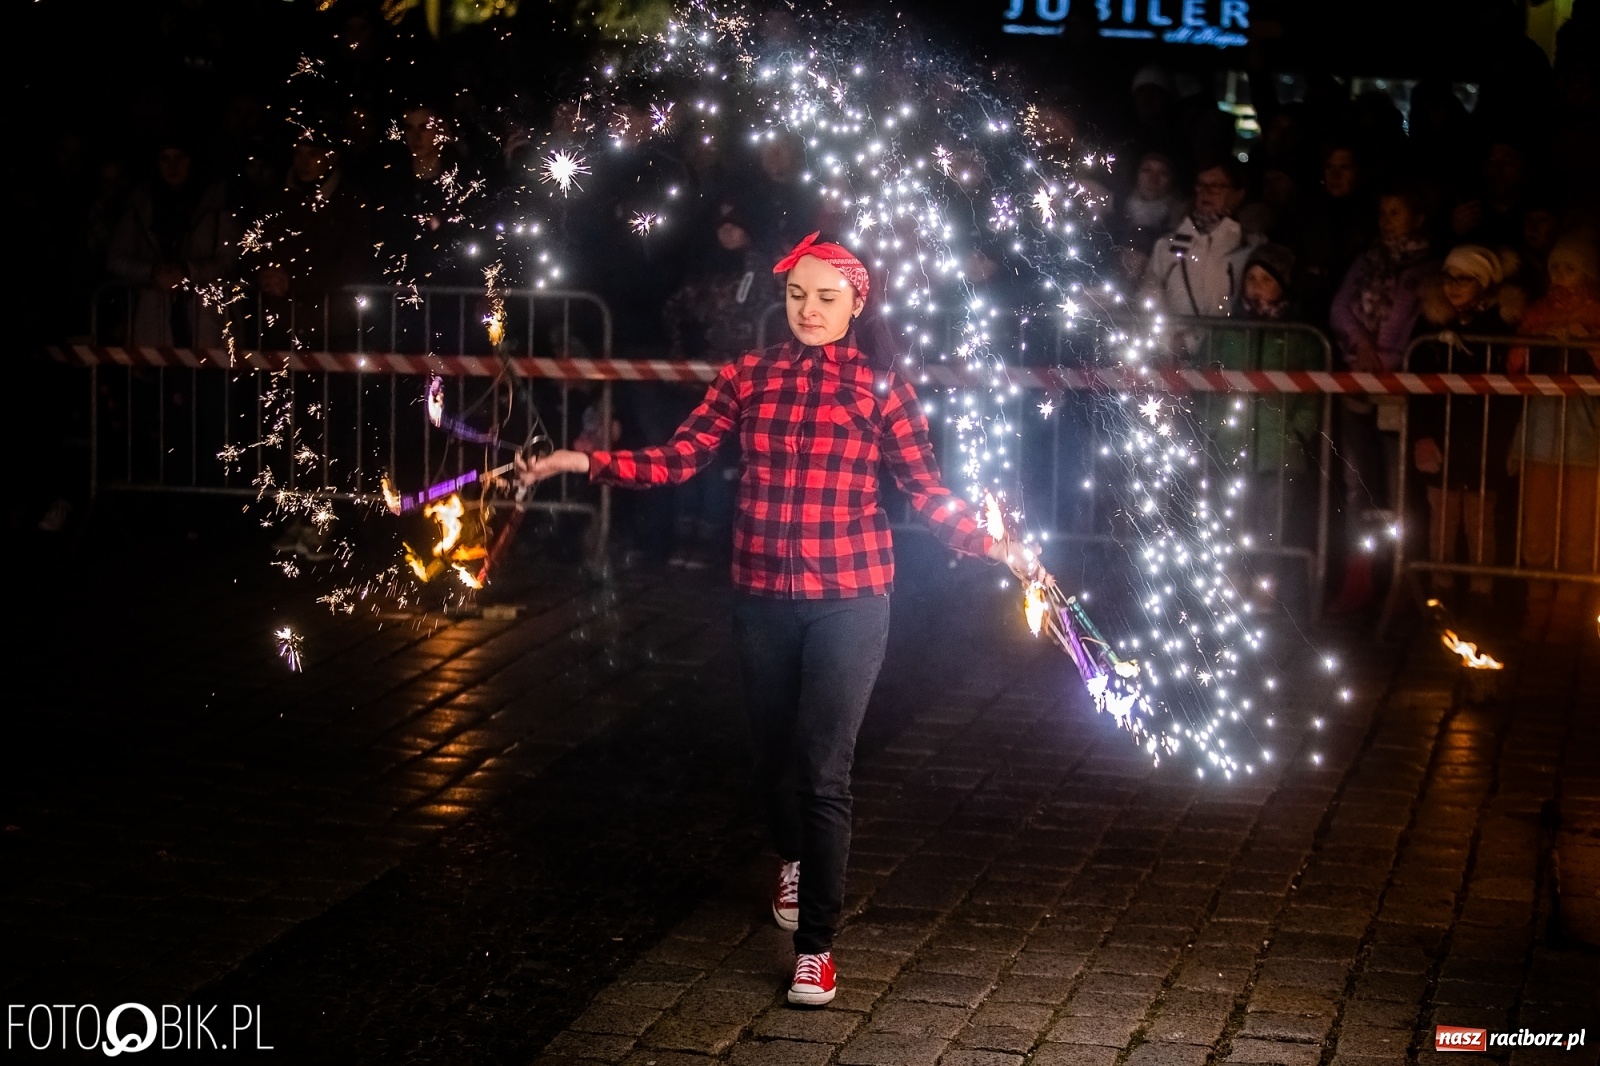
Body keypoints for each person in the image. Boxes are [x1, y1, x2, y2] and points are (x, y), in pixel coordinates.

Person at [516, 232, 1010, 1007]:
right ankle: (790, 854)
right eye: (796, 295)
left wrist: (993, 542)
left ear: (856, 303)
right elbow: (680, 458)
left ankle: (817, 946)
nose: (808, 310)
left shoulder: (883, 388)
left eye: (826, 297)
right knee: (770, 758)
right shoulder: (749, 376)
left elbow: (925, 491)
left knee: (824, 770)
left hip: (852, 595)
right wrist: (583, 462)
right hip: (761, 596)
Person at [1325, 185, 1438, 613]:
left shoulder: (1428, 267)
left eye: (1396, 210)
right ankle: (1360, 576)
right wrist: (1361, 344)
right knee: (1360, 485)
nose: (1387, 219)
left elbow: (1414, 321)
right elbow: (1340, 306)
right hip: (1359, 380)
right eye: (1384, 211)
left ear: (1418, 218)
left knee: (1397, 488)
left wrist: (1388, 355)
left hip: (1398, 386)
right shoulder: (1367, 259)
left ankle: (1399, 578)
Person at [1406, 245, 1522, 609]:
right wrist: (1422, 435)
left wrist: (1504, 441)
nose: (1454, 286)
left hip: (1485, 438)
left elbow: (1510, 396)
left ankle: (1481, 591)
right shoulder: (1430, 326)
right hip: (1442, 435)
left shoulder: (1501, 328)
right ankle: (1440, 589)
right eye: (1449, 278)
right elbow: (1418, 389)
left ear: (1484, 284)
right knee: (1442, 512)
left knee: (1479, 517)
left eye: (1465, 279)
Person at [1506, 232, 1600, 640]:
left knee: (1580, 527)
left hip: (1585, 436)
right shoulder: (1536, 313)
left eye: (1571, 268)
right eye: (1556, 268)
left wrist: (1589, 342)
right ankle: (1537, 603)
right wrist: (1533, 341)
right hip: (1541, 433)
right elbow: (1514, 368)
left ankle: (1567, 608)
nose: (1561, 276)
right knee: (1537, 524)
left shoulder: (1597, 314)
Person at [107, 137, 238, 346]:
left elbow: (229, 257)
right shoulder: (139, 204)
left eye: (180, 157)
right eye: (165, 159)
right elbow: (116, 257)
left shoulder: (217, 201)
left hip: (205, 322)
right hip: (152, 323)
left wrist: (188, 272)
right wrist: (153, 272)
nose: (172, 166)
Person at [1141, 159, 1252, 320]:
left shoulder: (1248, 247)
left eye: (1215, 186)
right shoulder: (1166, 246)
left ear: (1238, 194)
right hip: (1176, 343)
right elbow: (1150, 297)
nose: (1205, 192)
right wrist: (1170, 338)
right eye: (1201, 185)